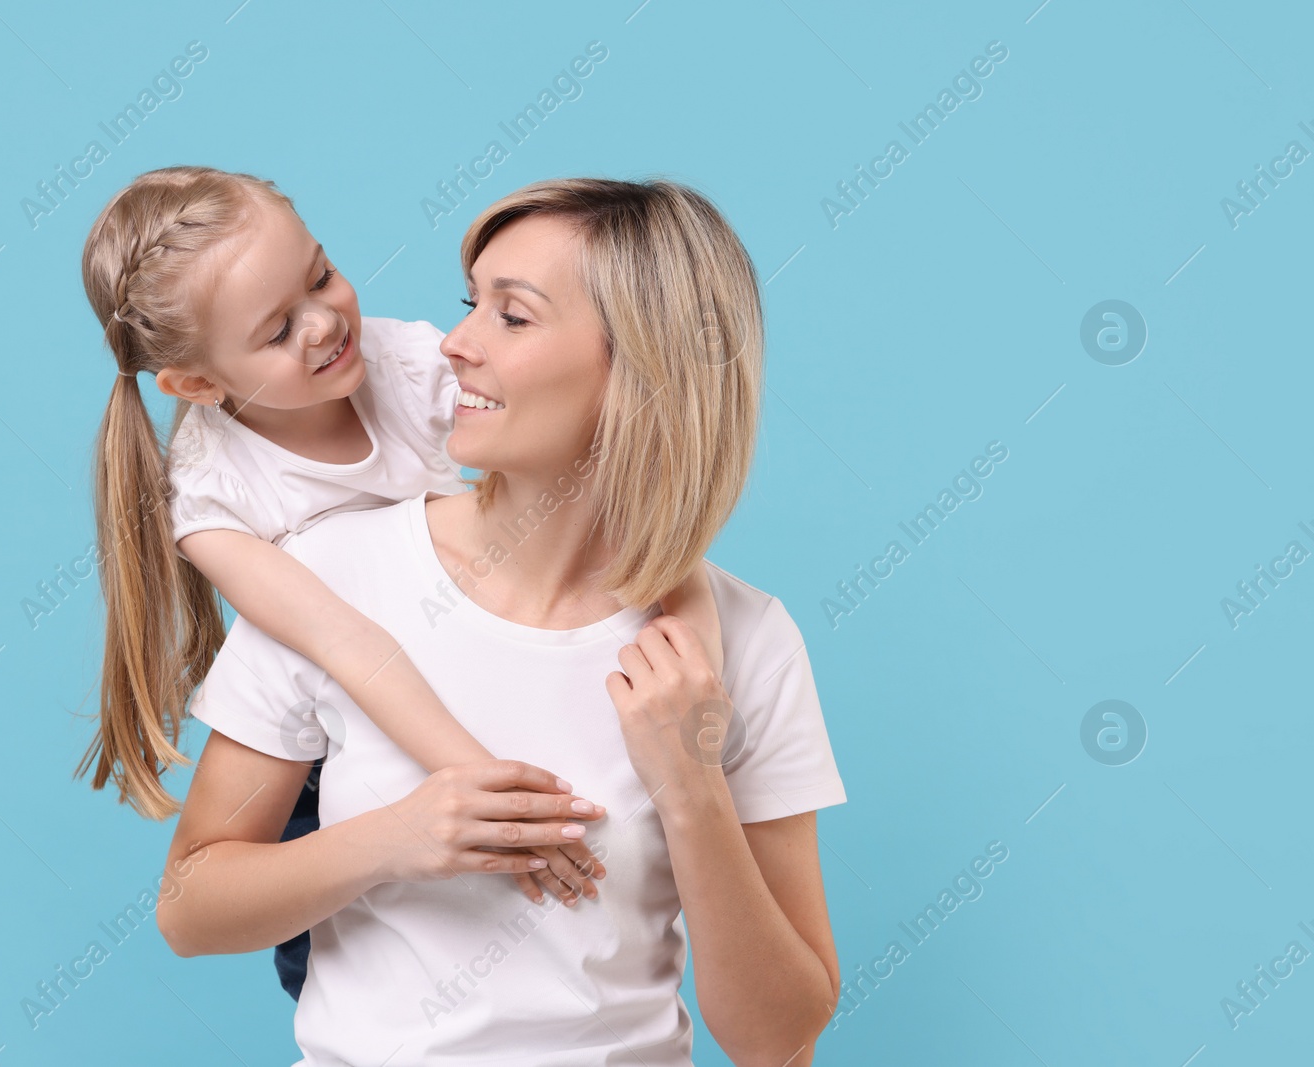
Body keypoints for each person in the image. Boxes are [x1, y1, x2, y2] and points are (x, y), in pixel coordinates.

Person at [157, 177, 848, 1066]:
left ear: (644, 365)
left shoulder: (747, 643)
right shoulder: (331, 576)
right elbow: (188, 904)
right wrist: (392, 839)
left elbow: (780, 1040)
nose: (453, 345)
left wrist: (692, 785)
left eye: (512, 318)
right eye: (468, 304)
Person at [75, 167, 723, 998]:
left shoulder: (413, 361)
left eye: (320, 275)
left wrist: (697, 648)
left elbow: (597, 472)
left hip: (475, 638)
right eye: (277, 331)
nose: (324, 323)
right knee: (364, 957)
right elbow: (349, 641)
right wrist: (491, 795)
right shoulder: (212, 499)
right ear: (198, 385)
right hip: (338, 710)